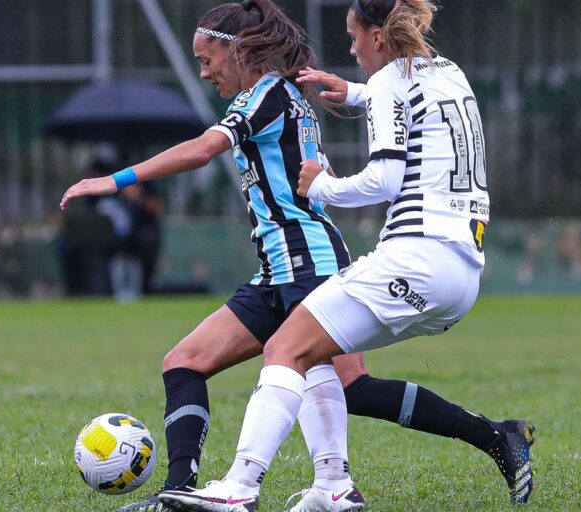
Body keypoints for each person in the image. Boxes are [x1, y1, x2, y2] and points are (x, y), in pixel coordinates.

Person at [159, 1, 534, 511]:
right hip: (463, 270)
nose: (351, 48)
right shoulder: (446, 72)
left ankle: (239, 489)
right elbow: (409, 102)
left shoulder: (380, 86)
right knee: (325, 364)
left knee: (287, 348)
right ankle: (335, 486)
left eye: (354, 36)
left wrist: (323, 187)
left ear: (377, 35)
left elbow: (383, 181)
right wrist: (354, 91)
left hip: (413, 255)